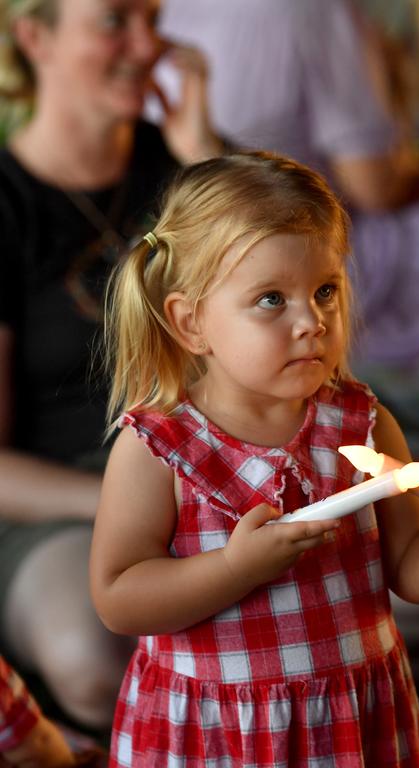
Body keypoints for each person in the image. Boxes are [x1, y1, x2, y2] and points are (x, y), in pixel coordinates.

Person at [87, 151, 419, 768]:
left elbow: (408, 573)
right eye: (272, 299)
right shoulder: (158, 447)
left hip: (351, 732)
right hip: (221, 743)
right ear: (190, 321)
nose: (311, 321)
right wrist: (234, 566)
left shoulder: (359, 424)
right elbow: (118, 598)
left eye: (325, 291)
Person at [0, 0, 225, 731]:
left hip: (222, 465)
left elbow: (298, 298)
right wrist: (132, 504)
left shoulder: (187, 164)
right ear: (35, 37)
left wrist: (202, 157)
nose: (148, 44)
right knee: (94, 653)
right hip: (66, 500)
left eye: (153, 18)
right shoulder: (7, 206)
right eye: (114, 22)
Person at [153, 0, 419, 371]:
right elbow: (376, 188)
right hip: (299, 247)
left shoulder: (159, 10)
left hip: (197, 236)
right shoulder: (315, 9)